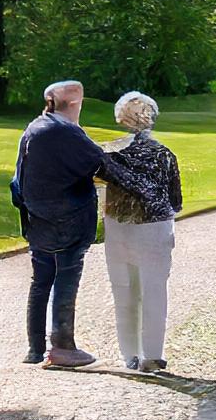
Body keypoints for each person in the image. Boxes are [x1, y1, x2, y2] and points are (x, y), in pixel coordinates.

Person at [10, 79, 105, 367]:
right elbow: (99, 163)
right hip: (68, 220)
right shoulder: (66, 132)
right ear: (76, 103)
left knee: (41, 281)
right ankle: (62, 346)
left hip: (38, 219)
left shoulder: (35, 127)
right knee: (66, 278)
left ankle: (35, 349)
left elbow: (19, 180)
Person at [97, 90, 184, 373]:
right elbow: (176, 201)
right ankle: (152, 355)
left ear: (121, 119)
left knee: (124, 291)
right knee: (154, 292)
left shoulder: (110, 155)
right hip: (155, 230)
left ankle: (129, 354)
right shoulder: (165, 155)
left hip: (119, 228)